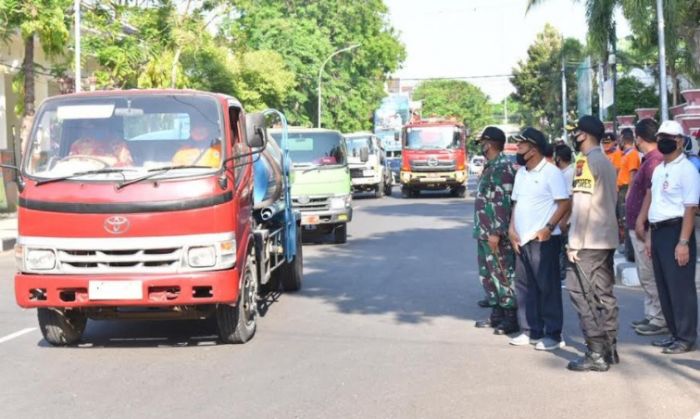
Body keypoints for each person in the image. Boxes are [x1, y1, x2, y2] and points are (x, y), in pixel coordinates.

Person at [565, 115, 620, 372]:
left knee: (580, 293)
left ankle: (595, 352)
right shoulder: (607, 163)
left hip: (587, 242)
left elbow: (582, 206)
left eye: (575, 133)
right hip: (606, 239)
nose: (574, 137)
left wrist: (573, 243)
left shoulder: (584, 163)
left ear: (583, 135)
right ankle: (610, 346)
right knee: (604, 293)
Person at [508, 127, 570, 350]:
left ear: (533, 148)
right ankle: (530, 330)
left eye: (521, 144)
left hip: (543, 240)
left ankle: (553, 334)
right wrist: (511, 229)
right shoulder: (521, 173)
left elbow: (564, 202)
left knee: (548, 287)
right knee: (524, 287)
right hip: (521, 239)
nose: (518, 147)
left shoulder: (551, 172)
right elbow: (516, 203)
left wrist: (548, 227)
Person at [644, 120, 699, 354]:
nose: (663, 141)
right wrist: (648, 235)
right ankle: (674, 333)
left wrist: (684, 242)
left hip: (677, 231)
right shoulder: (659, 169)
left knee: (680, 288)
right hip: (658, 232)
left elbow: (690, 208)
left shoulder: (687, 170)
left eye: (668, 137)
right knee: (665, 287)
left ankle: (686, 337)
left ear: (679, 141)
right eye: (660, 137)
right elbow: (656, 203)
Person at [472, 127, 519, 335]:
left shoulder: (503, 168)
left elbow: (503, 202)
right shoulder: (490, 166)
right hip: (484, 231)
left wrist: (497, 232)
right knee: (488, 273)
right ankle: (497, 313)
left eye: (483, 143)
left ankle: (511, 316)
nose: (481, 146)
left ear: (490, 144)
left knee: (502, 273)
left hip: (494, 233)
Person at [628, 119, 668, 336]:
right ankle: (651, 313)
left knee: (649, 274)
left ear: (639, 137)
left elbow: (653, 197)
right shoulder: (650, 160)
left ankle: (658, 318)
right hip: (641, 226)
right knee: (646, 274)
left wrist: (644, 223)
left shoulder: (654, 162)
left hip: (646, 227)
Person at [68, 119, 134, 167]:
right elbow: (72, 166)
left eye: (100, 125)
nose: (95, 128)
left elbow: (127, 168)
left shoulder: (118, 144)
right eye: (91, 125)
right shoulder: (78, 145)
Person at [616, 128, 641, 249]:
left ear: (623, 139)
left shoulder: (632, 154)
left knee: (625, 217)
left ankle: (629, 246)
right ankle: (625, 244)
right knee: (621, 218)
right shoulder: (625, 154)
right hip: (621, 189)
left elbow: (632, 175)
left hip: (626, 189)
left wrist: (629, 193)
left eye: (619, 138)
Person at [554, 144, 574, 281]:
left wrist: (564, 220)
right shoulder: (563, 173)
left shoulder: (568, 174)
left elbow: (570, 199)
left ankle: (566, 275)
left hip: (567, 219)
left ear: (559, 158)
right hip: (563, 218)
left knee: (566, 248)